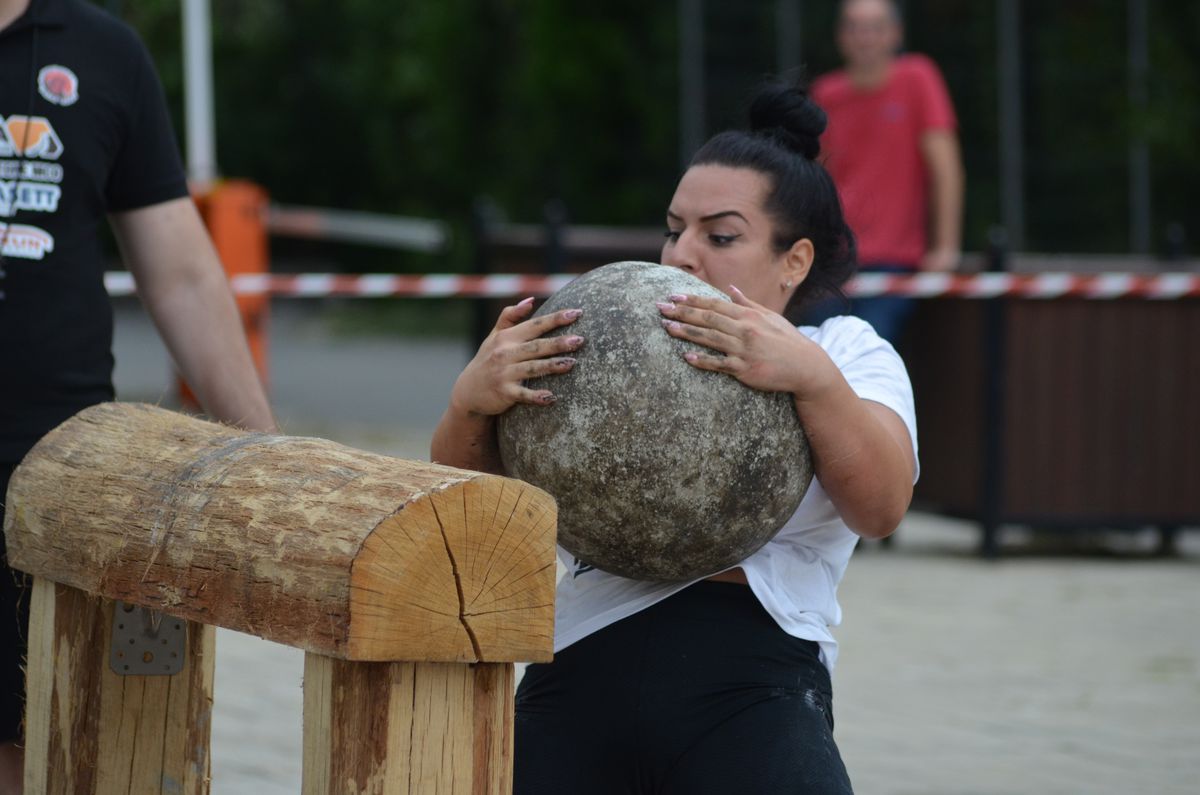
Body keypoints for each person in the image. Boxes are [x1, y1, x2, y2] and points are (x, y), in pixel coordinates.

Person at [431, 76, 918, 793]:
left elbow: (880, 508)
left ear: (795, 260)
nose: (682, 255)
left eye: (719, 235)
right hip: (583, 654)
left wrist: (808, 377)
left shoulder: (844, 351)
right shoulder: (599, 338)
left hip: (754, 680)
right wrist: (469, 404)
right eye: (673, 228)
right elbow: (473, 509)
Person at [0, 0, 276, 790]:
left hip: (49, 475)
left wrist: (266, 454)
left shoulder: (103, 53)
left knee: (36, 741)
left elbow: (183, 276)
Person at [809, 0, 964, 344]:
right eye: (854, 27)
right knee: (814, 348)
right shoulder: (827, 93)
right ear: (841, 36)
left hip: (895, 260)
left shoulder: (917, 77)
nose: (864, 37)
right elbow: (814, 181)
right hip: (836, 259)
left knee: (868, 353)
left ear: (896, 33)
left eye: (875, 27)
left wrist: (945, 246)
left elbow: (946, 167)